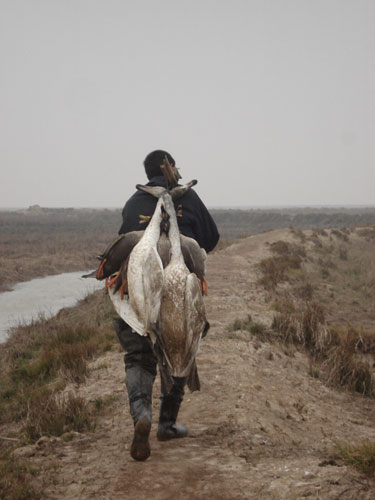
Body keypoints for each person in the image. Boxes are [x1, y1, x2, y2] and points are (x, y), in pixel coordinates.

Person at [113, 150, 219, 461]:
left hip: (137, 292)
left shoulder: (134, 203)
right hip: (178, 290)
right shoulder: (189, 198)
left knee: (139, 357)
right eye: (175, 164)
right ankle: (166, 424)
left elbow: (123, 243)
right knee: (180, 352)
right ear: (168, 166)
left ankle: (141, 414)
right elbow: (211, 239)